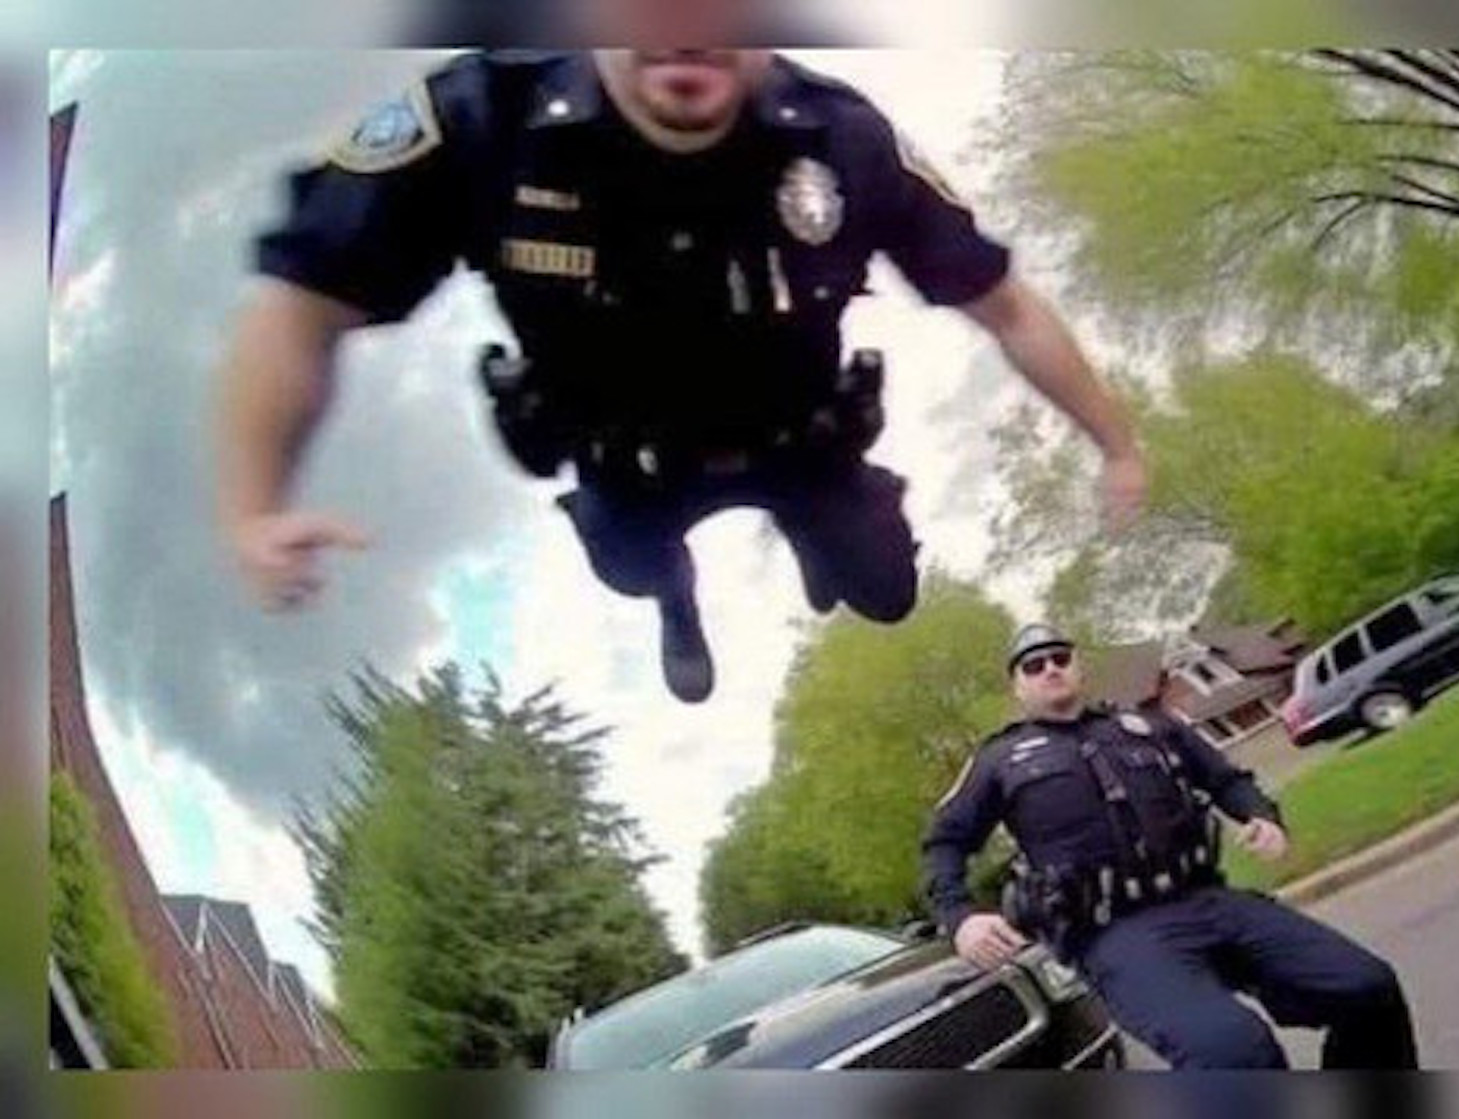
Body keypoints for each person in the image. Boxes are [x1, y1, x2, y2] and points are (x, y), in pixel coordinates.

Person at [217, 50, 1144, 702]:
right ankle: (675, 593)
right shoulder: (481, 120)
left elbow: (1006, 305)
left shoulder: (844, 139)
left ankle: (810, 533)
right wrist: (254, 507)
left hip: (801, 441)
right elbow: (301, 304)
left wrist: (1117, 444)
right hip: (633, 465)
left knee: (887, 593)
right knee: (627, 562)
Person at [921, 624, 1420, 1069]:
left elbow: (1226, 780)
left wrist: (1261, 816)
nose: (1050, 668)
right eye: (1034, 665)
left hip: (1207, 900)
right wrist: (960, 916)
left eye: (1060, 657)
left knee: (1367, 986)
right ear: (1018, 685)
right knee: (1234, 1051)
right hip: (1118, 934)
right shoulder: (999, 761)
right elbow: (944, 842)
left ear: (1078, 666)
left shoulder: (1147, 725)